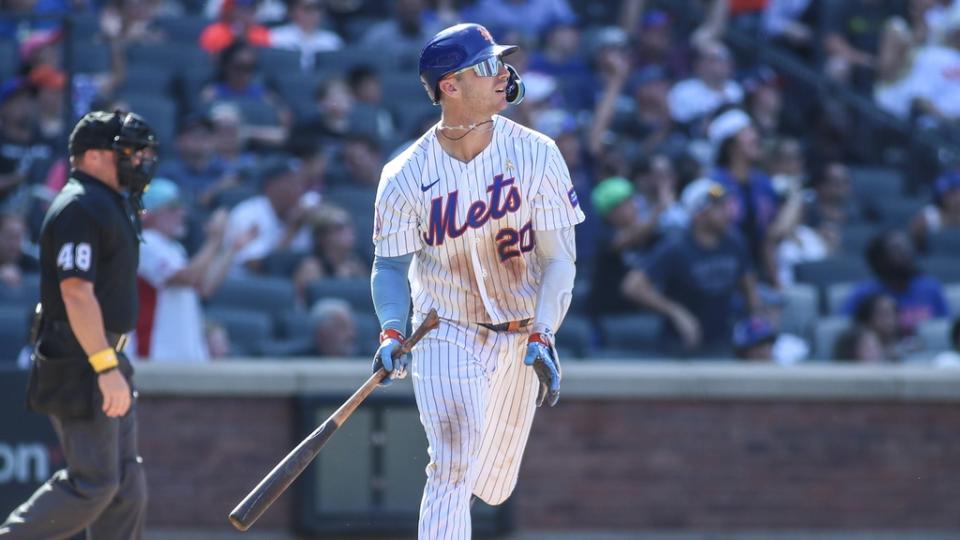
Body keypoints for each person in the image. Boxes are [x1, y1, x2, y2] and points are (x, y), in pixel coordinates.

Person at [369, 23, 584, 538]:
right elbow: (390, 266)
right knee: (451, 460)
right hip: (447, 327)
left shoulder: (538, 153)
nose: (504, 74)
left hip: (521, 332)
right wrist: (392, 329)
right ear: (450, 86)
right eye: (487, 66)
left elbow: (560, 260)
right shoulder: (404, 175)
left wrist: (545, 331)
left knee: (491, 484)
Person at [0, 110, 158, 538]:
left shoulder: (108, 201)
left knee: (126, 486)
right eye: (124, 150)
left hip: (105, 354)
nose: (136, 159)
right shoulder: (79, 206)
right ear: (91, 156)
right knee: (95, 482)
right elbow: (75, 292)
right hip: (82, 357)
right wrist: (105, 367)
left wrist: (112, 364)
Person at [622, 177, 760, 358]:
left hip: (722, 341)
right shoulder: (676, 247)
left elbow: (748, 285)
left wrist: (757, 317)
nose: (728, 211)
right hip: (679, 346)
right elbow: (632, 286)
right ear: (699, 214)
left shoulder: (734, 241)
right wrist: (676, 312)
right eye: (718, 207)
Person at [133, 178, 253, 362]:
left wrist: (231, 249)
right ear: (150, 213)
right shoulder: (145, 243)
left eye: (181, 207)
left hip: (184, 354)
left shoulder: (174, 248)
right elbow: (185, 278)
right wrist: (213, 240)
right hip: (156, 354)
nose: (181, 213)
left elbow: (204, 287)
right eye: (173, 207)